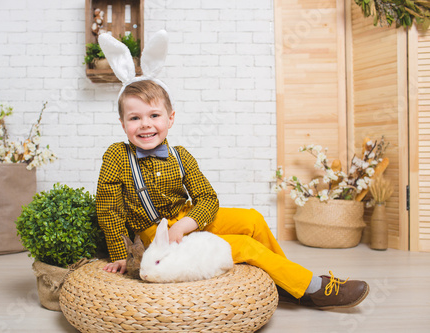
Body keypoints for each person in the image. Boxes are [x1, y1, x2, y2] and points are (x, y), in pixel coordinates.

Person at [95, 31, 369, 310]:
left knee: (252, 219)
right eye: (135, 118)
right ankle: (313, 287)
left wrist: (185, 224)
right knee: (245, 247)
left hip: (185, 219)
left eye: (154, 115)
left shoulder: (180, 156)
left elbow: (208, 199)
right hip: (154, 232)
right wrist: (121, 254)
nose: (145, 124)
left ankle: (286, 280)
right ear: (122, 122)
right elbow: (109, 210)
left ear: (170, 118)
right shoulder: (117, 156)